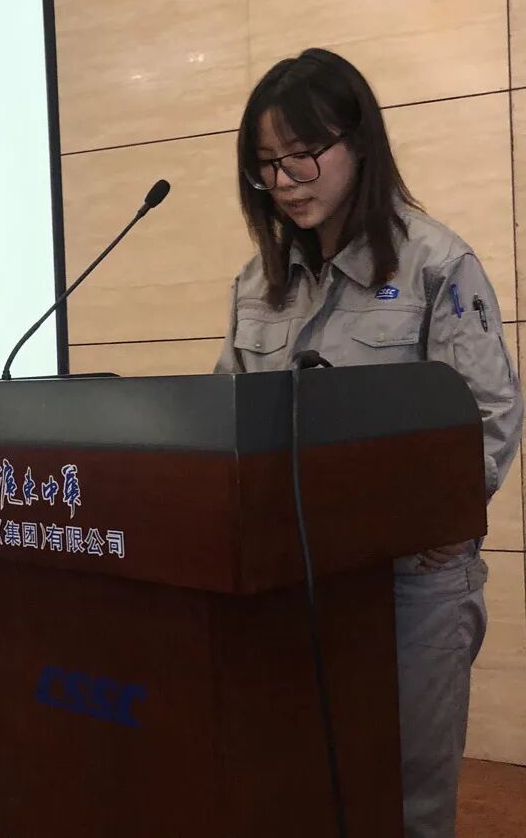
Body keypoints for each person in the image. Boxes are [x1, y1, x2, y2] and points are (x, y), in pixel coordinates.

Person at [214, 48, 523, 838]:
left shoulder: (434, 264)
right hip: (293, 581)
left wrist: (436, 524)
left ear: (357, 142)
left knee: (406, 803)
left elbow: (490, 412)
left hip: (411, 587)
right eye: (266, 165)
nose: (285, 180)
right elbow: (227, 415)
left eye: (302, 154)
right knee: (301, 793)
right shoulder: (257, 283)